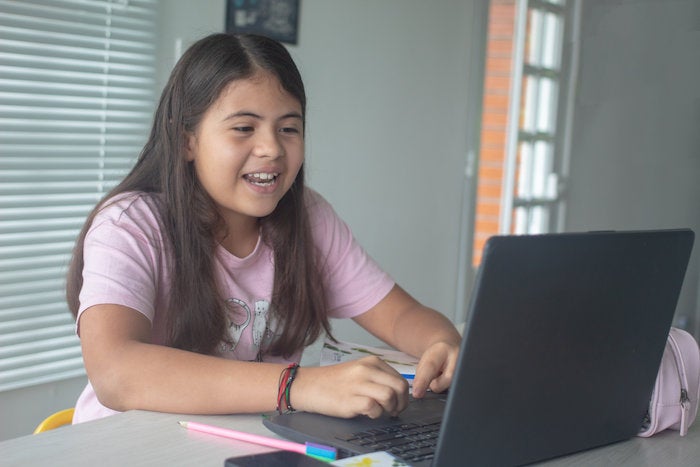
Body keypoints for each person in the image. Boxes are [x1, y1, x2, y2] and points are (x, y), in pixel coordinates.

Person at [66, 32, 461, 424]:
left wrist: (442, 343)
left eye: (288, 128)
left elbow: (399, 316)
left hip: (243, 440)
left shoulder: (308, 216)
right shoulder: (130, 223)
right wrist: (298, 386)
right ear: (186, 139)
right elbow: (115, 373)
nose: (271, 148)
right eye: (244, 128)